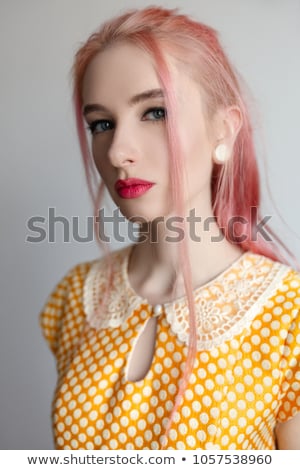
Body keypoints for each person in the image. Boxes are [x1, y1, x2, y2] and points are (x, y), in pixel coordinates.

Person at [40, 7, 300, 450]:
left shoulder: (288, 318)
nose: (119, 150)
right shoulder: (75, 298)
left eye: (156, 112)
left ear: (224, 129)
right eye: (101, 124)